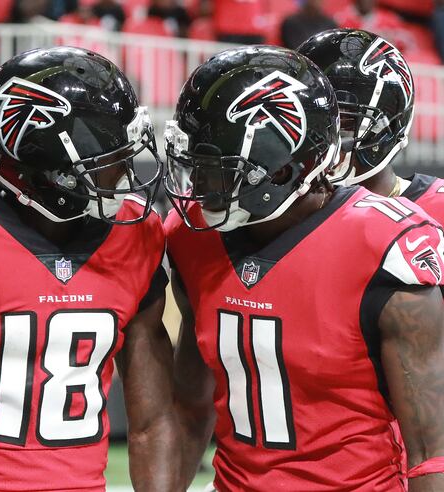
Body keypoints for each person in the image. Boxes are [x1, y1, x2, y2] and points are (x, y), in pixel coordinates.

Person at [164, 45, 444, 490]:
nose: (198, 185)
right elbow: (189, 405)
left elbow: (431, 452)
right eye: (195, 164)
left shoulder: (385, 242)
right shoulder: (189, 236)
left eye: (217, 168)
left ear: (282, 170)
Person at [0, 46, 180, 491]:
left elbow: (153, 421)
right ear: (48, 171)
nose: (125, 174)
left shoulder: (136, 232)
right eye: (107, 159)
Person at [299, 28, 444, 225]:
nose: (322, 142)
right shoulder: (284, 215)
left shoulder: (438, 206)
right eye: (311, 124)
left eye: (344, 123)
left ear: (389, 128)